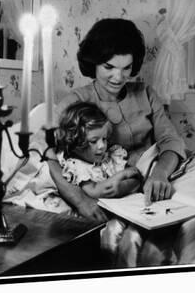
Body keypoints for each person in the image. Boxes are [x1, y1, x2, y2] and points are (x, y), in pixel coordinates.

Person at [48, 18, 186, 221]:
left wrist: (160, 174)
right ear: (93, 62)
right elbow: (49, 157)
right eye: (109, 67)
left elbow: (170, 141)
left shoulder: (146, 93)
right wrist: (81, 201)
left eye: (126, 68)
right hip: (124, 194)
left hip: (160, 176)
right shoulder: (74, 103)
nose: (118, 77)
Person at [55, 101, 142, 199]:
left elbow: (136, 179)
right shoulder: (77, 167)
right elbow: (96, 191)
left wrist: (126, 184)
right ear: (75, 144)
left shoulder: (110, 157)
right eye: (93, 141)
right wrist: (122, 176)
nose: (102, 146)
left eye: (104, 139)